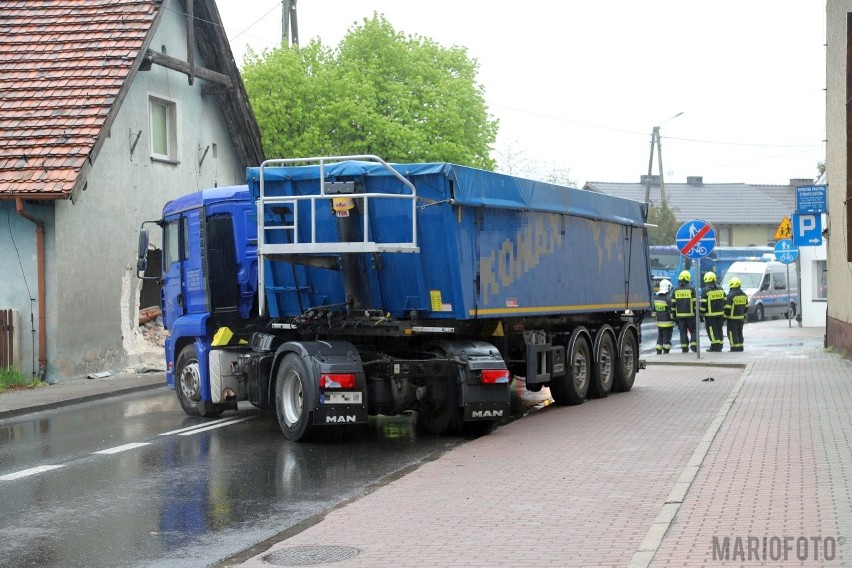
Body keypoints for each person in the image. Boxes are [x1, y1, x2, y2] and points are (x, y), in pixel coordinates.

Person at [671, 270, 697, 353]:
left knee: (682, 332)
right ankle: (694, 346)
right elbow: (695, 303)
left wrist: (674, 315)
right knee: (693, 331)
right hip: (691, 315)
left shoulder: (676, 289)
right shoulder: (692, 289)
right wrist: (697, 314)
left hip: (680, 316)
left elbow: (673, 304)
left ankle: (684, 348)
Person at [700, 271, 726, 352]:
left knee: (712, 330)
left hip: (710, 315)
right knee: (719, 329)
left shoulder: (705, 290)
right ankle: (720, 345)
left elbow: (703, 303)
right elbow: (725, 301)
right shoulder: (720, 289)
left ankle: (715, 346)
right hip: (720, 314)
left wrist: (701, 314)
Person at [724, 277, 749, 352]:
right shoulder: (744, 295)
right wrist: (744, 315)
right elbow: (746, 307)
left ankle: (734, 347)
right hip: (741, 318)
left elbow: (727, 308)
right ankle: (740, 347)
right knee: (739, 332)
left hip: (732, 318)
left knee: (732, 333)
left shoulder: (730, 295)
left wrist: (724, 317)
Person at [653, 279, 675, 354]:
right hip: (668, 322)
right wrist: (674, 318)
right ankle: (666, 350)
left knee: (660, 336)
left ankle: (658, 349)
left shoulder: (656, 297)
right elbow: (671, 310)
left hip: (659, 322)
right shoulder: (668, 297)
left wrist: (656, 316)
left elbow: (653, 311)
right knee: (667, 337)